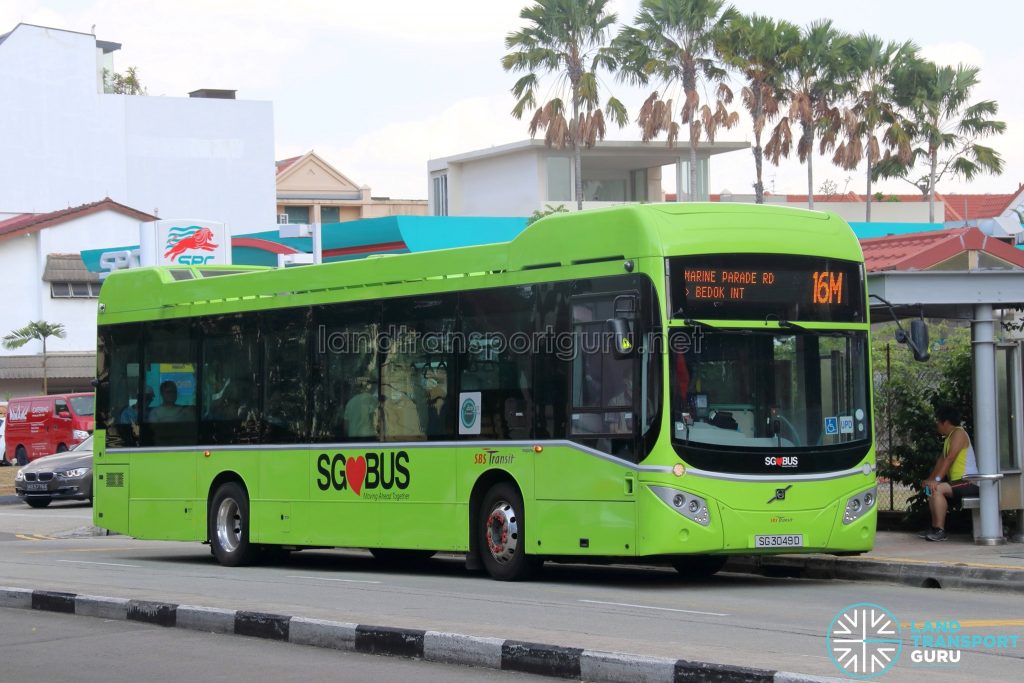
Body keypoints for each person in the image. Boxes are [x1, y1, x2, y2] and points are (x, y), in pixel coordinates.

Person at [919, 405, 978, 542]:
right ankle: (934, 527)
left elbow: (950, 458)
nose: (936, 424)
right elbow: (941, 461)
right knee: (930, 489)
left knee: (937, 489)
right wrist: (930, 480)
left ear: (945, 422)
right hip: (958, 483)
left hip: (969, 482)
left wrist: (937, 480)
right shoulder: (949, 438)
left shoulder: (959, 433)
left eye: (937, 421)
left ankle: (940, 530)